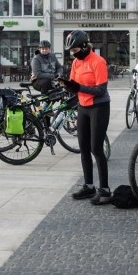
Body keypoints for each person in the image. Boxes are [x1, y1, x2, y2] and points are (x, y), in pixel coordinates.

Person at [57, 30, 112, 205]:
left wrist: (78, 87)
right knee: (84, 148)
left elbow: (100, 90)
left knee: (96, 148)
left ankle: (105, 190)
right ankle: (89, 186)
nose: (74, 53)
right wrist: (67, 86)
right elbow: (75, 85)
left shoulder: (98, 61)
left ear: (84, 46)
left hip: (99, 107)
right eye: (71, 51)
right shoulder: (76, 63)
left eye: (75, 50)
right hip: (83, 107)